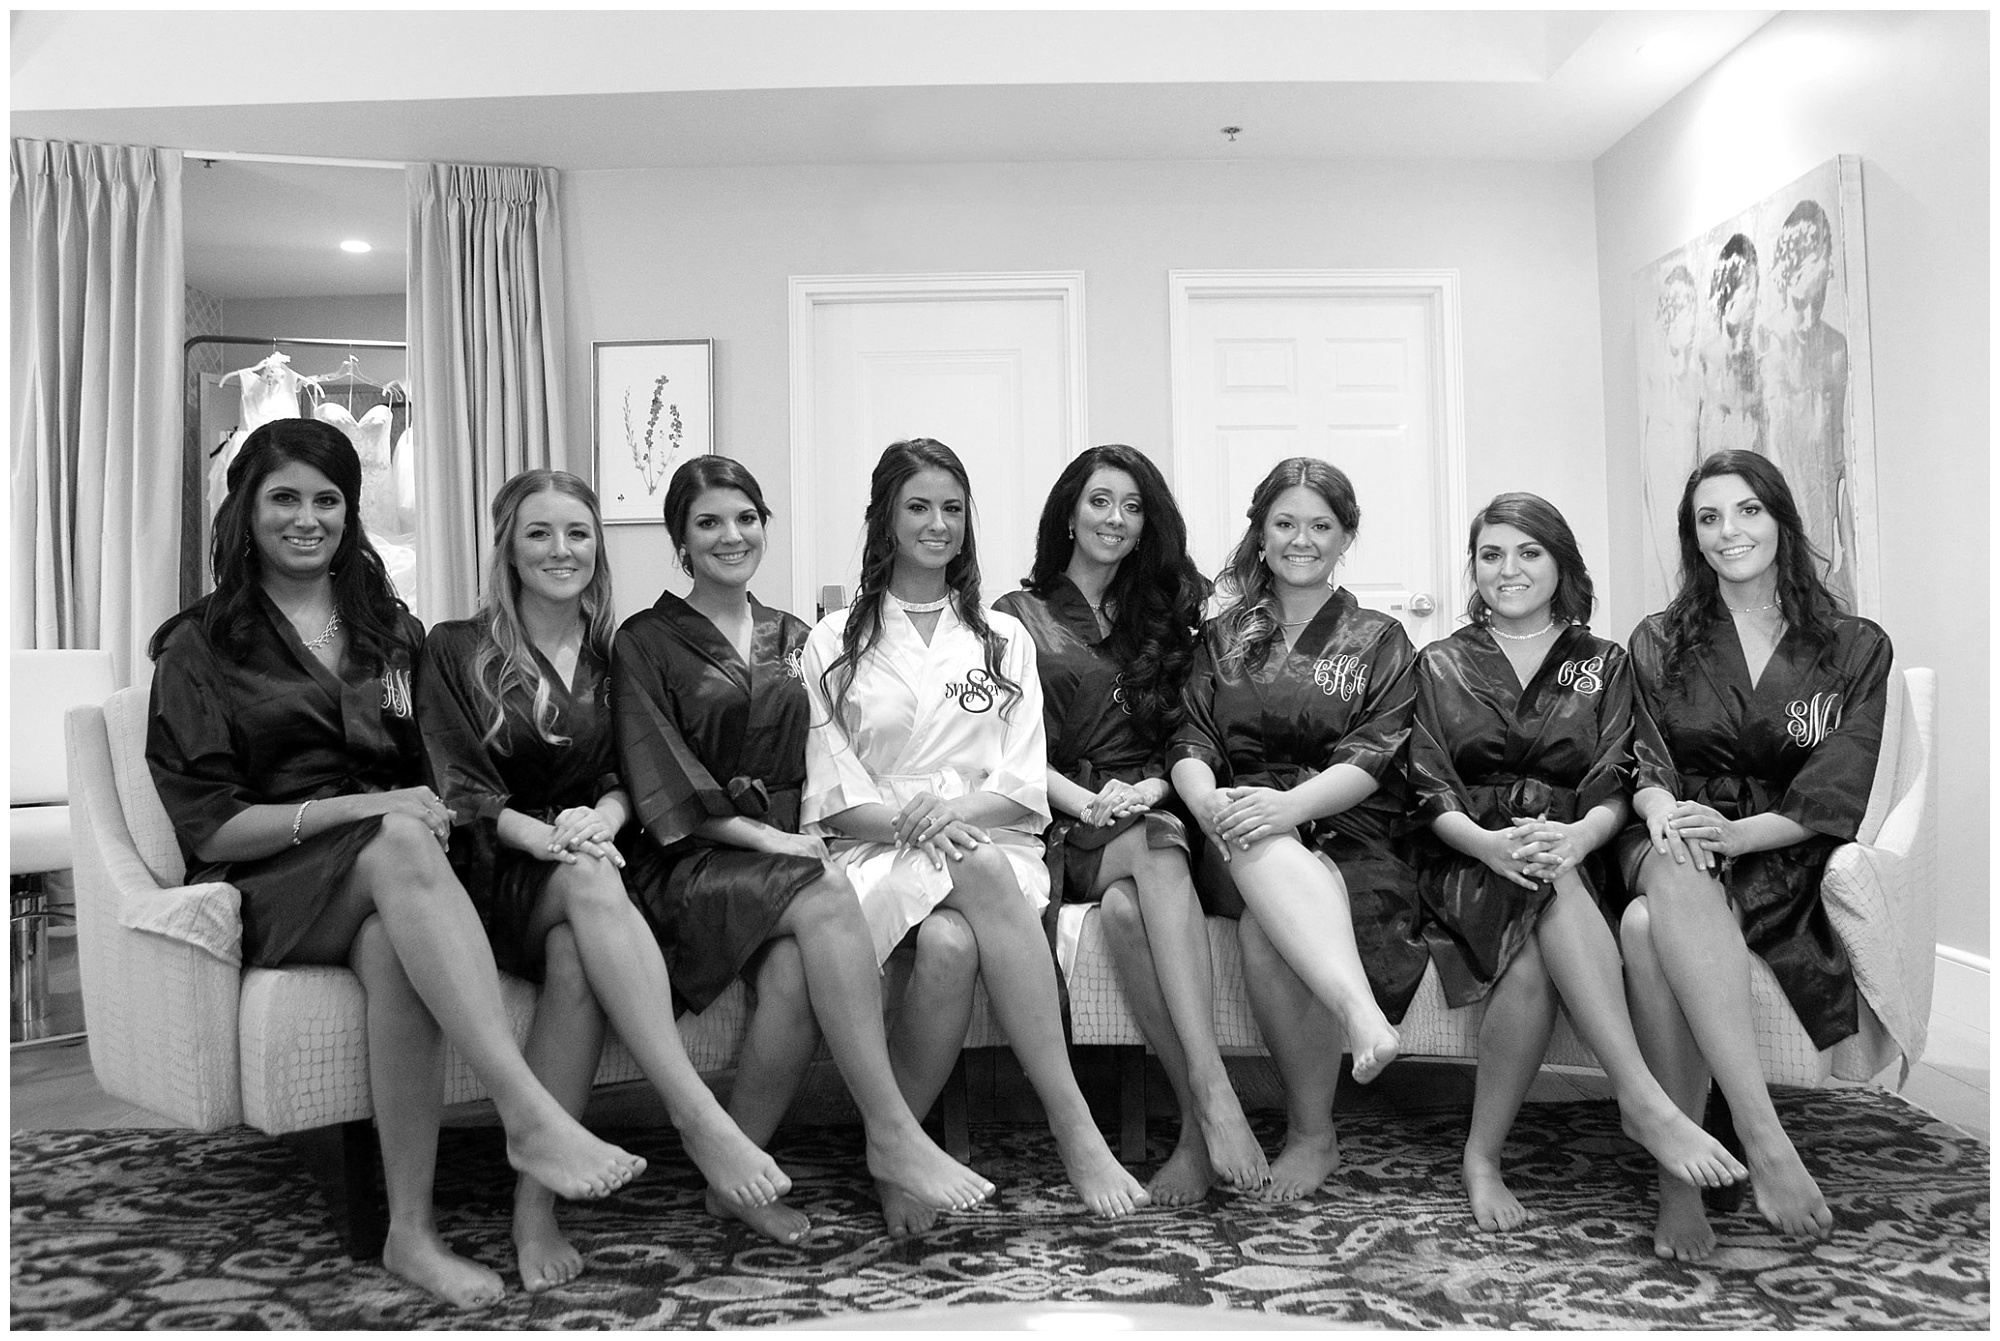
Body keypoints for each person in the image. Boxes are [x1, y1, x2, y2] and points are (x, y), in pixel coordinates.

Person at [145, 421, 642, 1311]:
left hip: (394, 878)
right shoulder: (200, 645)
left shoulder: (389, 630)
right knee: (405, 841)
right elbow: (212, 828)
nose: (308, 518)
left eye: (327, 500)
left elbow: (445, 766)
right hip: (278, 874)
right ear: (244, 512)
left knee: (390, 944)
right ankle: (527, 1113)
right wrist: (368, 808)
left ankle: (409, 1230)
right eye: (284, 499)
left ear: (351, 511)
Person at [418, 468, 814, 1289]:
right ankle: (699, 1117)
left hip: (589, 863)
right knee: (594, 879)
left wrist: (601, 813)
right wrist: (549, 835)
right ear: (508, 546)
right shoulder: (455, 646)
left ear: (598, 548)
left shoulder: (613, 653)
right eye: (540, 533)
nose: (561, 550)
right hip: (493, 870)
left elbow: (631, 770)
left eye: (578, 533)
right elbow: (456, 783)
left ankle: (534, 1212)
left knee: (577, 957)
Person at [613, 456, 994, 1243]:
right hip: (696, 858)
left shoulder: (796, 635)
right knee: (821, 893)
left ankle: (737, 1177)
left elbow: (829, 761)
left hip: (787, 856)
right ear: (680, 538)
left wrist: (815, 834)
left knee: (790, 972)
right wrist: (779, 839)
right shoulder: (644, 639)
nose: (732, 535)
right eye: (709, 522)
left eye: (746, 518)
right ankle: (891, 1131)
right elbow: (664, 780)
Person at [801, 437, 1149, 1224]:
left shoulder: (1000, 637)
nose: (938, 524)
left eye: (952, 508)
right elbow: (830, 795)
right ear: (885, 520)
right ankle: (1075, 1129)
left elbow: (1023, 783)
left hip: (990, 838)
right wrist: (914, 822)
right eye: (918, 506)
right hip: (876, 851)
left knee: (959, 937)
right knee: (975, 879)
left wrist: (953, 815)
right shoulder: (831, 640)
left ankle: (894, 1156)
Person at [1406, 493, 1745, 1232]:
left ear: (1561, 563)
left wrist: (1580, 836)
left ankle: (1491, 1154)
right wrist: (1492, 842)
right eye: (1491, 554)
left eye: (1528, 551)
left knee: (1536, 942)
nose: (1509, 568)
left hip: (1577, 853)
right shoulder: (1439, 661)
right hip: (1468, 858)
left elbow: (1623, 771)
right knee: (1537, 882)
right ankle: (1633, 1101)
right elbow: (1429, 783)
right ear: (1473, 567)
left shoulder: (1605, 661)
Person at [1617, 449, 1892, 1261]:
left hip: (1778, 848)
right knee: (1671, 862)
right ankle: (1764, 1140)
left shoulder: (1853, 646)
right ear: (1693, 538)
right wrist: (1667, 808)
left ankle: (1682, 1171)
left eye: (1746, 511)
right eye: (1708, 517)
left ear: (1781, 519)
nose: (1728, 530)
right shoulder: (1660, 637)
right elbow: (1640, 755)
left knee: (1641, 931)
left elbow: (1838, 783)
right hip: (1668, 836)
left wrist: (1737, 834)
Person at [993, 444, 1266, 1205]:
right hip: (1055, 808)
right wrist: (1088, 802)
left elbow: (1184, 731)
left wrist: (1145, 788)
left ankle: (1189, 1126)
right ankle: (1215, 1094)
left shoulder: (1168, 613)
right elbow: (1003, 749)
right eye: (1100, 501)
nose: (1116, 518)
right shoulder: (1016, 617)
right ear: (1069, 514)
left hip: (1148, 797)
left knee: (1128, 905)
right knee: (1154, 848)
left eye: (1133, 505)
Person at [1168, 457, 1430, 1202]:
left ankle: (1312, 1131)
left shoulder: (1380, 638)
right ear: (1261, 532)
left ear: (1346, 535)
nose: (1301, 539)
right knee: (1250, 828)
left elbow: (1376, 752)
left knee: (1261, 931)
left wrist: (1288, 808)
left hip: (1348, 831)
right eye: (1285, 523)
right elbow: (1191, 742)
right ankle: (1359, 1016)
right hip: (1236, 830)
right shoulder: (1222, 636)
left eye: (1320, 524)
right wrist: (1208, 801)